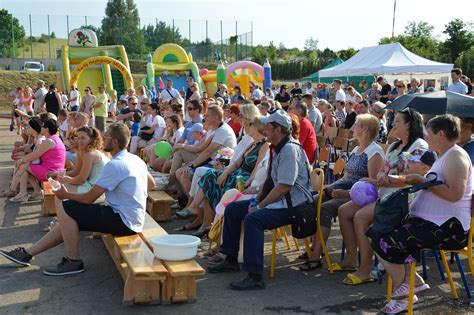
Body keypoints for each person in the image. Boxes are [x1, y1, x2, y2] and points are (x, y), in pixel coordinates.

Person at [0, 123, 154, 275]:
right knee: (70, 219)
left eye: (106, 137)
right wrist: (130, 198)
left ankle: (74, 261)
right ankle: (27, 253)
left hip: (124, 220)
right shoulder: (135, 159)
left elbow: (88, 199)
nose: (103, 139)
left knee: (67, 207)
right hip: (131, 216)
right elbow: (151, 184)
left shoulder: (115, 165)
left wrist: (65, 195)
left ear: (114, 141)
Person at [371, 115, 472, 313]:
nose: (426, 137)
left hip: (449, 228)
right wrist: (415, 179)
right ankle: (411, 283)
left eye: (430, 133)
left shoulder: (455, 156)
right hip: (433, 223)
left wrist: (421, 181)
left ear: (441, 134)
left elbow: (454, 194)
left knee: (382, 239)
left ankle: (404, 293)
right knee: (377, 232)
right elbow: (435, 184)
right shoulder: (444, 156)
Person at [208, 110, 312, 290]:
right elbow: (271, 182)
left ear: (278, 130)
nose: (264, 130)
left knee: (253, 219)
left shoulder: (289, 149)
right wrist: (256, 200)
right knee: (233, 209)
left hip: (293, 206)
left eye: (268, 127)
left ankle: (255, 276)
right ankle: (231, 259)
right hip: (282, 201)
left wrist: (260, 205)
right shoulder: (277, 148)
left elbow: (284, 187)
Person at [335, 109, 427, 284]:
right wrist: (383, 178)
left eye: (398, 121)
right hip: (385, 194)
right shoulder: (394, 146)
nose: (393, 124)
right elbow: (384, 172)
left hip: (404, 198)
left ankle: (365, 270)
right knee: (344, 210)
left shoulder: (419, 145)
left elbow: (410, 173)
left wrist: (387, 178)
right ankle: (352, 259)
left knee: (360, 217)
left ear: (408, 124)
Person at [299, 114, 385, 271]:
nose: (352, 128)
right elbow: (346, 176)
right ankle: (314, 246)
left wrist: (344, 194)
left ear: (364, 129)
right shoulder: (357, 149)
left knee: (325, 208)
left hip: (357, 196)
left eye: (356, 125)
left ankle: (316, 255)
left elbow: (373, 186)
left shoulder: (375, 151)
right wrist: (330, 187)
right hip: (342, 189)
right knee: (311, 201)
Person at [179, 116, 268, 236]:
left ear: (258, 127)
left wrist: (247, 183)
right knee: (209, 176)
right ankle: (197, 212)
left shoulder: (264, 145)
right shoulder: (252, 144)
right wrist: (225, 173)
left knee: (211, 183)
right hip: (237, 173)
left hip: (244, 179)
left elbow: (257, 169)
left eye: (251, 123)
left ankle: (203, 219)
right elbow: (237, 163)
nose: (248, 125)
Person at [9, 118, 66, 203]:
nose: (41, 128)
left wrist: (21, 161)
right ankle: (36, 192)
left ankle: (23, 194)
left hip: (51, 172)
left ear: (46, 129)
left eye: (42, 126)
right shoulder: (53, 139)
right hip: (51, 169)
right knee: (26, 167)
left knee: (23, 166)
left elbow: (35, 154)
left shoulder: (50, 141)